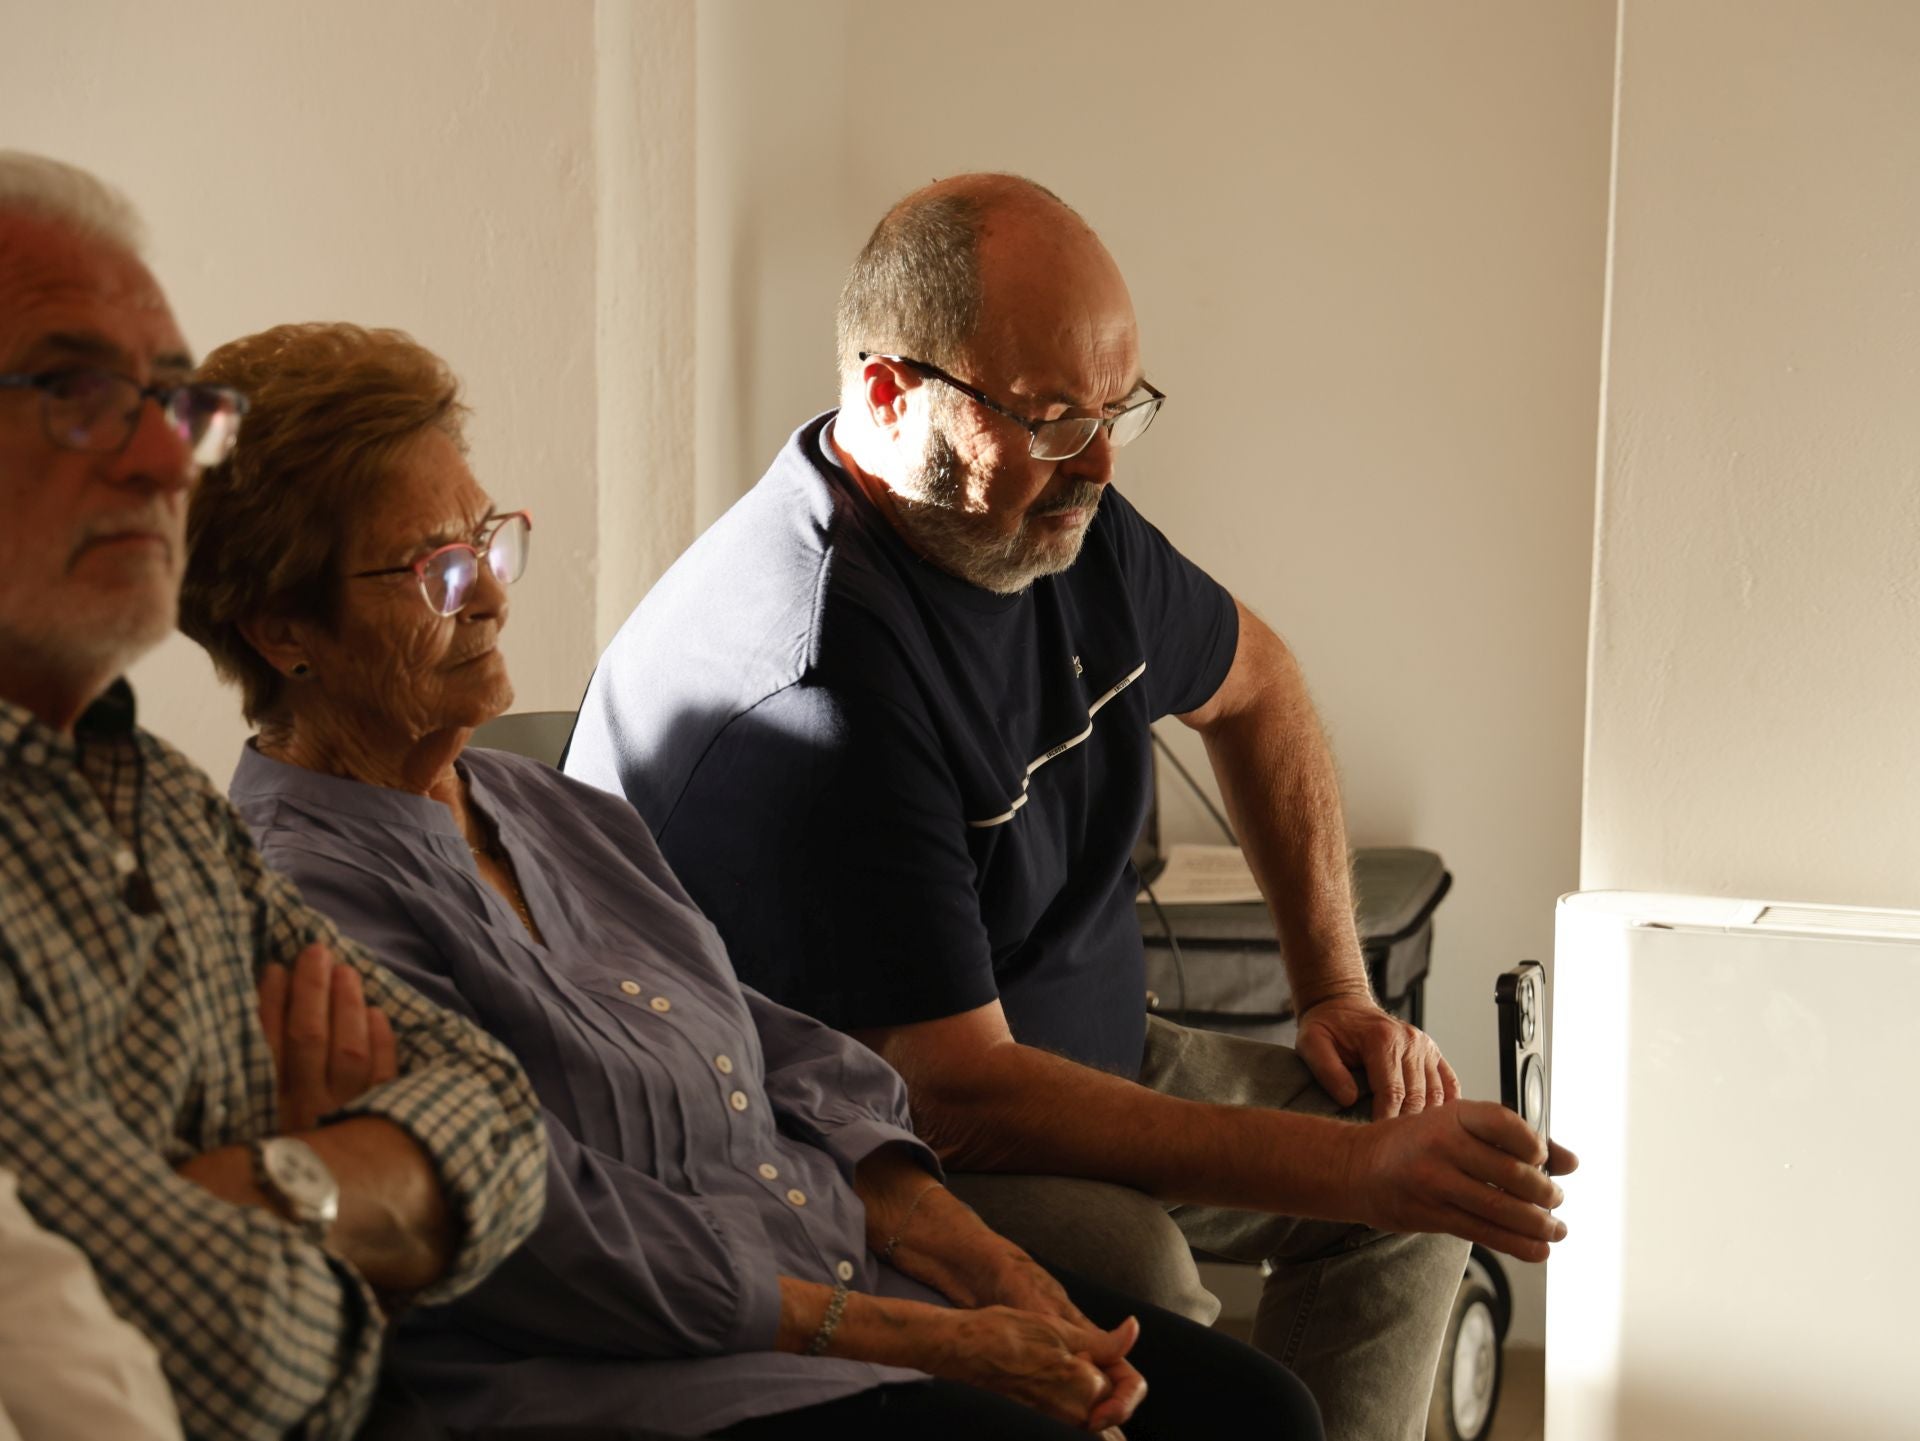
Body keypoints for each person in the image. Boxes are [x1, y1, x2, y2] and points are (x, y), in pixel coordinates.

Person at [178, 317, 1324, 1441]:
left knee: (1258, 1412)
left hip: (842, 1286)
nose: (488, 590)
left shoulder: (547, 810)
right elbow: (557, 1241)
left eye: (489, 536)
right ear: (284, 629)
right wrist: (934, 1341)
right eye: (437, 567)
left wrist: (988, 1267)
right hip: (674, 1384)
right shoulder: (300, 904)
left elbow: (778, 1049)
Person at [564, 172, 1578, 1441]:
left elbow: (1257, 685)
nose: (1097, 464)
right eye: (1051, 418)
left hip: (1075, 1051)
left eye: (1119, 410)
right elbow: (961, 1095)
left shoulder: (1044, 517)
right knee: (1147, 1269)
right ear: (887, 392)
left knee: (1423, 1186)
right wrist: (1354, 1171)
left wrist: (1338, 992)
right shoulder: (818, 683)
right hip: (854, 1151)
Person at [0, 151, 548, 1440]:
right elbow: (236, 1354)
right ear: (286, 631)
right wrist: (352, 1212)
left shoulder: (168, 804)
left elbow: (506, 1118)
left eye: (176, 400)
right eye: (78, 391)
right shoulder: (285, 838)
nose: (158, 456)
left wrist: (266, 1181)